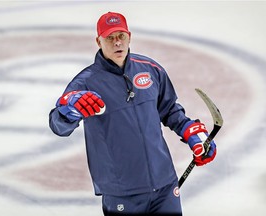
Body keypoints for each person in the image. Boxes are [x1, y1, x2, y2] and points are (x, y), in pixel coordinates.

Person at [49, 12, 216, 216]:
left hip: (164, 184)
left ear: (129, 37)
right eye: (110, 37)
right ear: (98, 41)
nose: (117, 42)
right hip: (121, 193)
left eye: (121, 36)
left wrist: (190, 131)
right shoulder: (85, 83)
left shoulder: (151, 69)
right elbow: (58, 126)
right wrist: (67, 111)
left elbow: (170, 109)